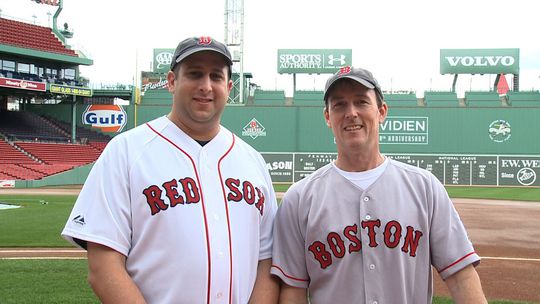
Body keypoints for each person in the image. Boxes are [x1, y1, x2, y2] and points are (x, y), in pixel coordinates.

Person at [62, 36, 279, 304]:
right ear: (172, 81)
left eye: (216, 76)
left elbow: (266, 261)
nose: (206, 86)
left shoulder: (252, 161)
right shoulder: (126, 151)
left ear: (229, 86)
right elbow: (103, 265)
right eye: (195, 74)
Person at [270, 66, 487, 303]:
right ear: (327, 117)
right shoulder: (300, 198)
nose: (351, 112)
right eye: (339, 105)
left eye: (361, 102)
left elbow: (461, 275)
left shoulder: (425, 187)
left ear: (382, 111)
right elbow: (292, 290)